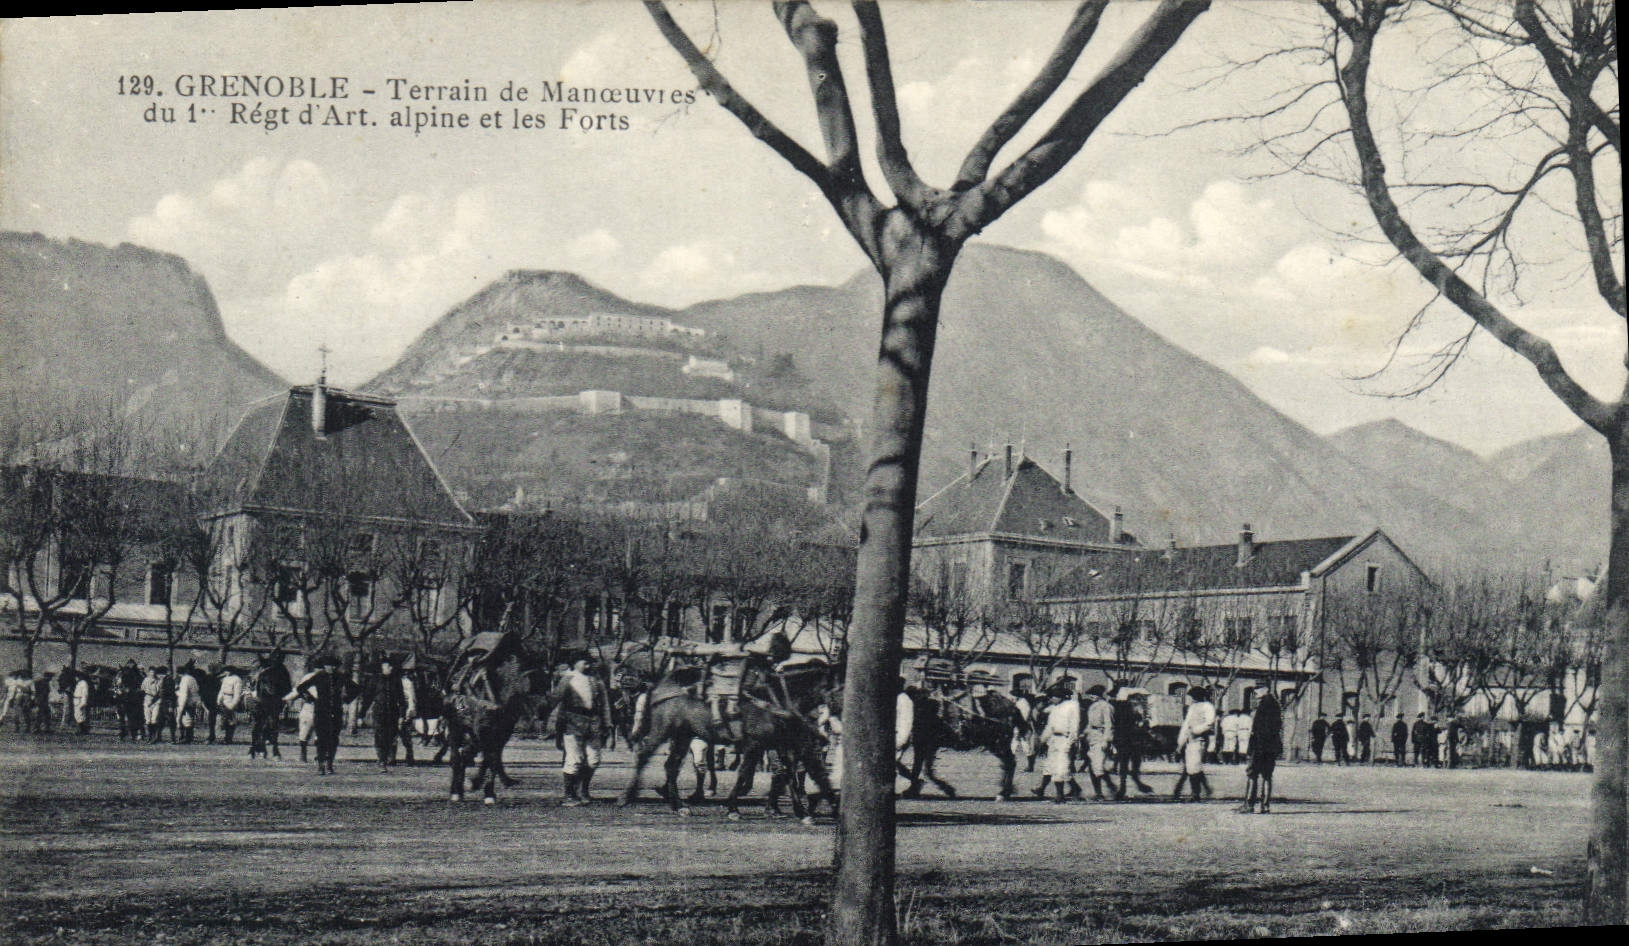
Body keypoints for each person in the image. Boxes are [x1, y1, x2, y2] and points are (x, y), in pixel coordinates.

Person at [551, 657, 609, 806]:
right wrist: (556, 726)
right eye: (585, 662)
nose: (588, 665)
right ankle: (569, 794)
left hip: (594, 723)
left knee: (594, 759)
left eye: (590, 662)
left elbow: (605, 705)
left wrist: (607, 725)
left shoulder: (597, 681)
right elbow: (555, 702)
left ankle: (583, 789)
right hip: (572, 723)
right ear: (575, 663)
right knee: (574, 759)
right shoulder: (567, 680)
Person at [296, 655, 358, 775]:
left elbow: (356, 689)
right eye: (329, 665)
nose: (331, 668)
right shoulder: (319, 676)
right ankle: (321, 765)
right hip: (321, 711)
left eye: (334, 666)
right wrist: (311, 698)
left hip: (336, 711)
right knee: (321, 738)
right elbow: (301, 688)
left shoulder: (341, 677)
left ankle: (330, 764)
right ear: (324, 666)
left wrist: (346, 699)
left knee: (333, 738)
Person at [1239, 682, 1283, 814]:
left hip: (1260, 746)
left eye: (1258, 689)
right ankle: (1265, 805)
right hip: (1270, 746)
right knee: (1267, 775)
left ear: (1266, 689)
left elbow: (1261, 728)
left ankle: (1249, 804)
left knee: (1252, 774)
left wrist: (1255, 745)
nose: (1255, 692)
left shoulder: (1264, 705)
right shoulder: (1274, 704)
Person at [1035, 680, 1081, 804]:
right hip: (1054, 739)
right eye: (1052, 697)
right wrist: (1042, 740)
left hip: (1065, 738)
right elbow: (1050, 726)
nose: (1053, 699)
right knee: (1050, 766)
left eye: (1055, 697)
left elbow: (1074, 724)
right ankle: (1075, 789)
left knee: (1061, 767)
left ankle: (1060, 796)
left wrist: (1071, 741)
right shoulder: (1054, 708)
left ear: (1061, 697)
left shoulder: (1072, 706)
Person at [1173, 686, 1217, 801]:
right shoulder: (1192, 708)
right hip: (1189, 740)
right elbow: (1186, 725)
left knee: (1194, 766)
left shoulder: (1208, 706)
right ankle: (1198, 792)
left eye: (1193, 697)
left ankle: (1196, 794)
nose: (1191, 699)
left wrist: (1195, 730)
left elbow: (1209, 723)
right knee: (1190, 767)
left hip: (1200, 739)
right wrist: (1180, 743)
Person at [1081, 684, 1114, 800]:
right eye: (1091, 695)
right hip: (1091, 737)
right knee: (1092, 766)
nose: (1092, 697)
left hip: (1101, 736)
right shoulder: (1092, 707)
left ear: (1100, 695)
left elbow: (1109, 724)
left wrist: (1106, 740)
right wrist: (1083, 733)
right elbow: (1090, 724)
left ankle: (1102, 791)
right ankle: (1099, 791)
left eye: (1094, 694)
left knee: (1098, 765)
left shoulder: (1106, 707)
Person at [175, 662, 204, 744]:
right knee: (189, 719)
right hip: (193, 700)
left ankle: (187, 738)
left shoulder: (185, 680)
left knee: (186, 719)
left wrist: (181, 703)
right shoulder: (192, 678)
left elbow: (184, 693)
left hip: (187, 701)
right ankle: (187, 737)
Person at [116, 659, 144, 741]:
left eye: (132, 664)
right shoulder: (121, 674)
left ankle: (133, 734)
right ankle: (123, 732)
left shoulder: (138, 675)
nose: (130, 666)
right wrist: (120, 690)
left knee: (133, 717)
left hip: (133, 698)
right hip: (123, 697)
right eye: (129, 664)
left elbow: (141, 687)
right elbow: (117, 685)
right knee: (123, 716)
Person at [215, 666, 244, 745]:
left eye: (226, 671)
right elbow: (222, 690)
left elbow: (237, 693)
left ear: (231, 671)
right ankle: (223, 738)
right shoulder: (225, 679)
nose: (225, 673)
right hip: (224, 699)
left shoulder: (237, 679)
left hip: (231, 699)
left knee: (230, 720)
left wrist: (233, 704)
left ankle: (228, 738)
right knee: (223, 719)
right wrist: (219, 699)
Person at [142, 667, 165, 743]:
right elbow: (142, 689)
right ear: (148, 672)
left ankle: (155, 737)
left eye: (154, 672)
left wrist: (154, 699)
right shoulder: (145, 680)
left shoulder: (159, 681)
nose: (152, 674)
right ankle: (150, 736)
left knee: (154, 719)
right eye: (151, 672)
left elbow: (160, 692)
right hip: (147, 699)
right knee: (148, 720)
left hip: (156, 701)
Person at [71, 669, 92, 734]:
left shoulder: (84, 683)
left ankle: (81, 730)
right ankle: (81, 729)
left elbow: (84, 693)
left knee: (80, 715)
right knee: (77, 715)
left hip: (80, 700)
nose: (76, 678)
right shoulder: (78, 683)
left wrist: (83, 702)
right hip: (76, 700)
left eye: (77, 677)